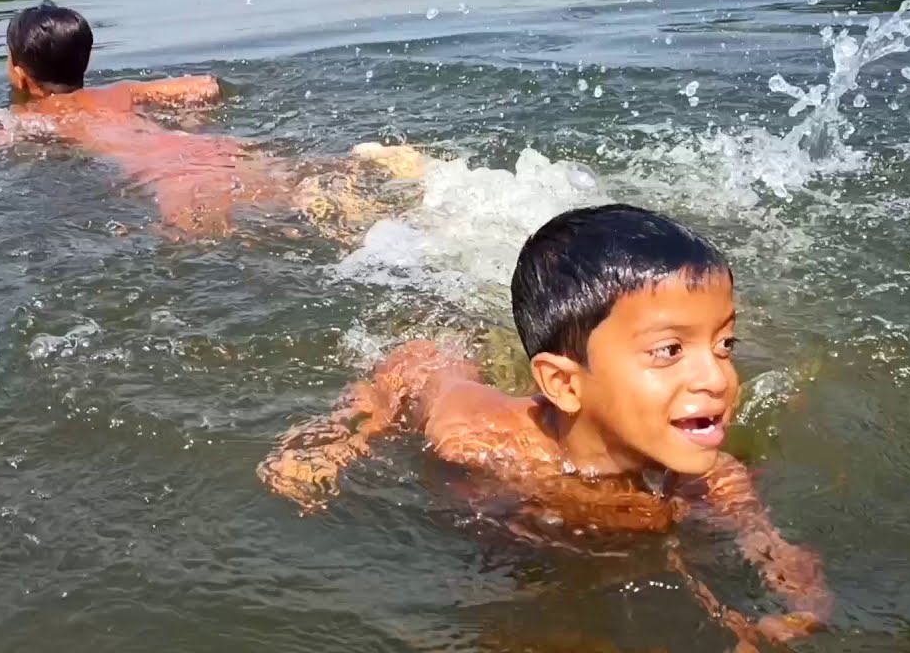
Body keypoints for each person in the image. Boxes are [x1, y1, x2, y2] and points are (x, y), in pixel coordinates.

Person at [258, 204, 833, 649]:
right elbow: (416, 372)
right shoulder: (476, 440)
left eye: (724, 344)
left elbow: (773, 549)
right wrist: (344, 435)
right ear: (562, 384)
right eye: (669, 350)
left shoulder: (709, 475)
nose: (717, 377)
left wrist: (798, 602)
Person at [0, 0, 428, 238]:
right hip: (215, 150)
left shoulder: (34, 119)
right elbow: (207, 86)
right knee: (308, 191)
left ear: (18, 73)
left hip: (171, 180)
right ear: (86, 61)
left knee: (212, 241)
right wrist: (193, 118)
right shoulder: (120, 94)